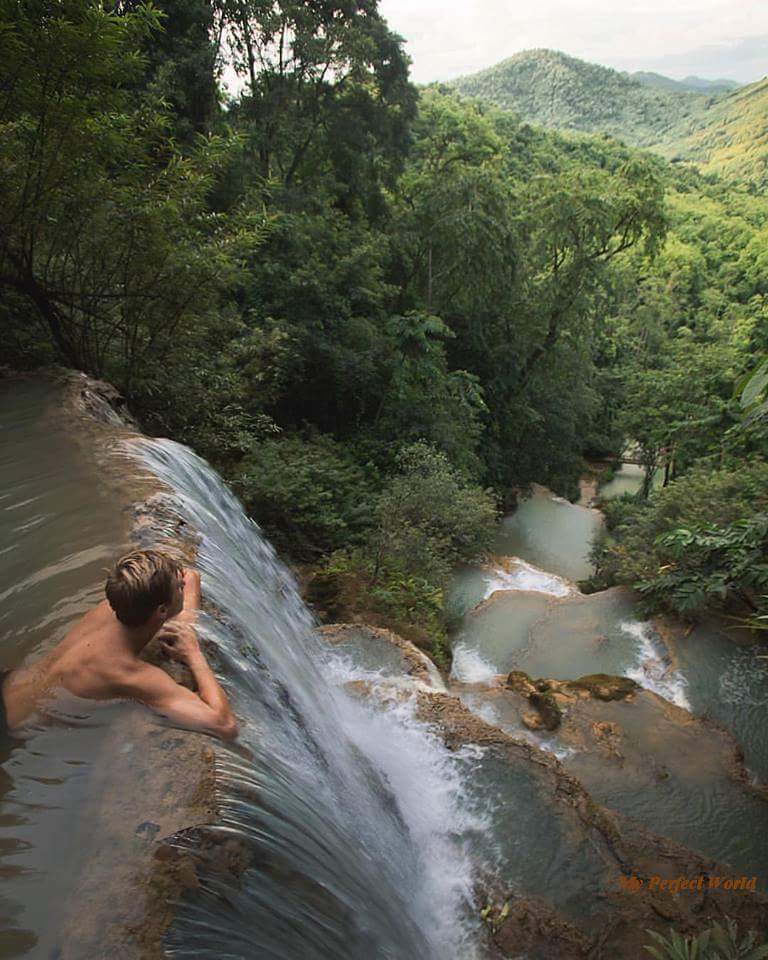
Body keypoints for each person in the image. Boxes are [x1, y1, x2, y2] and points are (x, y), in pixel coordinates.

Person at [0, 549, 238, 741]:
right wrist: (194, 654)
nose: (183, 587)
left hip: (9, 684)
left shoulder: (119, 603)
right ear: (161, 611)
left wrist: (186, 600)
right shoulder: (127, 673)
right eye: (179, 588)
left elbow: (189, 577)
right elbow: (224, 725)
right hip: (11, 729)